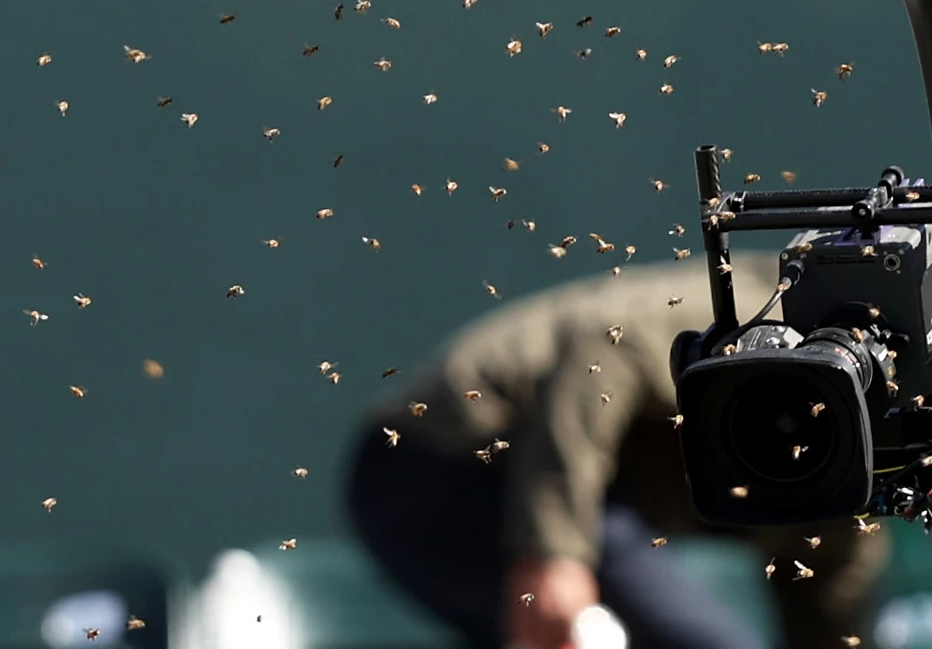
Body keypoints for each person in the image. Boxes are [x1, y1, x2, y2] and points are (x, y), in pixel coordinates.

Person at [348, 257, 888, 649]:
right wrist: (555, 551)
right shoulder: (786, 320)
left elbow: (826, 592)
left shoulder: (862, 469)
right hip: (450, 464)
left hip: (587, 505)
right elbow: (604, 346)